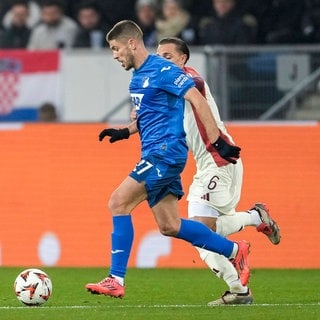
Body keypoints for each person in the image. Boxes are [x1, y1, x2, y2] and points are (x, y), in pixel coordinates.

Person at [85, 20, 248, 299]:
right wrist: (124, 132)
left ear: (132, 44)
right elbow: (146, 116)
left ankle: (116, 278)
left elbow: (197, 99)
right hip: (155, 152)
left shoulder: (164, 70)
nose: (114, 55)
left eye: (115, 48)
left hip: (165, 152)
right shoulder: (137, 77)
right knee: (169, 226)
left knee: (118, 201)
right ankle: (235, 250)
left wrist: (217, 141)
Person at [156, 37, 281, 305]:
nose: (161, 61)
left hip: (220, 160)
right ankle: (238, 290)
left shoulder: (189, 78)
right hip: (210, 165)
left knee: (197, 230)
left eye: (168, 56)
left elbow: (194, 85)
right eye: (158, 56)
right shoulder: (170, 93)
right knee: (203, 239)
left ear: (182, 60)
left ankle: (253, 218)